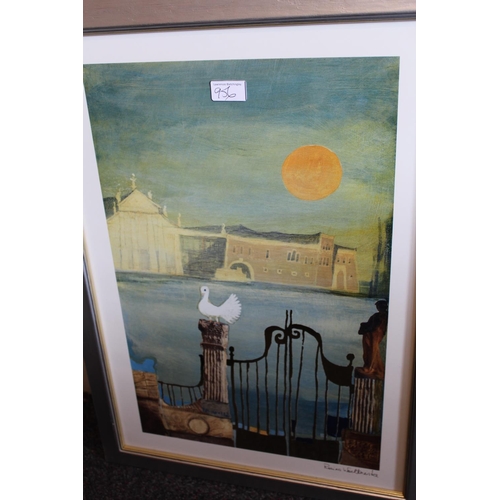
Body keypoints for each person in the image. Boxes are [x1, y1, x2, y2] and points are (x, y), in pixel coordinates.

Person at [358, 300, 388, 379]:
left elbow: (377, 327)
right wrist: (364, 326)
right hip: (371, 335)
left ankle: (371, 367)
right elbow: (370, 324)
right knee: (368, 350)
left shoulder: (384, 316)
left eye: (378, 306)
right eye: (377, 306)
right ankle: (368, 365)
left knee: (373, 350)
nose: (377, 308)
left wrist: (366, 329)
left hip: (375, 336)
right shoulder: (376, 315)